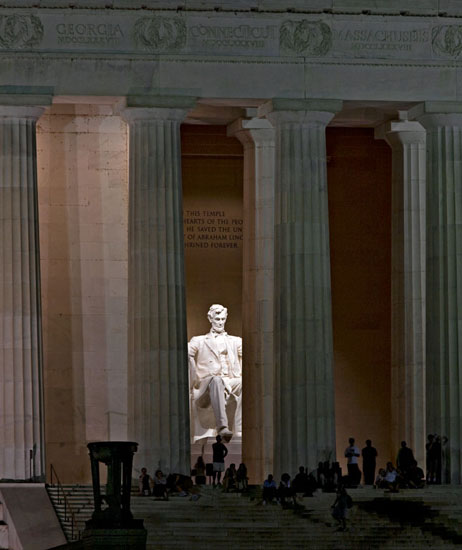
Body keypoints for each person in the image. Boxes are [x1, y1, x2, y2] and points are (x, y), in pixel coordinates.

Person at [188, 304, 242, 443]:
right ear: (210, 318)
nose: (220, 322)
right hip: (207, 383)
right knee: (217, 380)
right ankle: (222, 426)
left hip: (230, 380)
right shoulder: (199, 340)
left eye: (223, 319)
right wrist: (193, 373)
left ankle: (240, 428)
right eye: (217, 319)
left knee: (244, 382)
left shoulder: (235, 341)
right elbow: (186, 352)